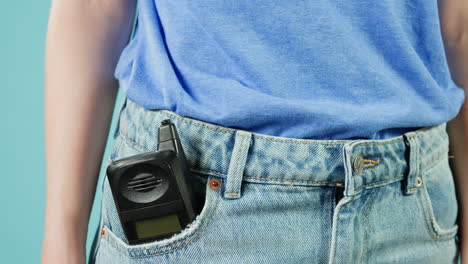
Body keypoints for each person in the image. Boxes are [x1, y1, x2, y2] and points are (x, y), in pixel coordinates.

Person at [41, 0, 468, 263]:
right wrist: (61, 238)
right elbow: (93, 7)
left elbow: (456, 29)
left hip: (411, 213)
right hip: (201, 208)